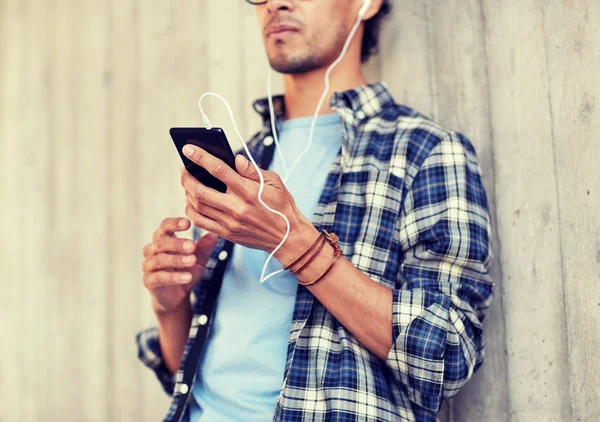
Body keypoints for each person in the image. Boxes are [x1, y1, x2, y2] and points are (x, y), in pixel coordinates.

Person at [137, 0, 495, 421]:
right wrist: (170, 306)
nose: (276, 3)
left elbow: (448, 356)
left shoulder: (424, 152)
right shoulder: (241, 162)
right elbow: (192, 373)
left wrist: (295, 245)